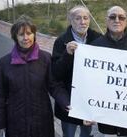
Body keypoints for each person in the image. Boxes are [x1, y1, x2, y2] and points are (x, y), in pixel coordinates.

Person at [0, 15, 69, 137]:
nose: (26, 38)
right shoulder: (5, 62)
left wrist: (67, 102)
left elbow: (54, 86)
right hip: (15, 120)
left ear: (34, 34)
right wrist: (0, 122)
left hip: (41, 119)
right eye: (21, 34)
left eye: (29, 33)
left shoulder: (45, 58)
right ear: (15, 37)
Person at [89, 6, 127, 137]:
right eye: (112, 17)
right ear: (106, 20)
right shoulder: (95, 46)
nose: (117, 20)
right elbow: (91, 82)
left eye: (121, 17)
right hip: (108, 120)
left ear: (126, 21)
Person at [51, 5, 102, 137]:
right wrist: (67, 54)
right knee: (69, 133)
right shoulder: (61, 41)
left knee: (86, 133)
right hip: (69, 100)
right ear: (70, 20)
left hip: (89, 99)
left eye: (85, 18)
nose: (82, 22)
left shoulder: (98, 38)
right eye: (77, 18)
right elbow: (56, 73)